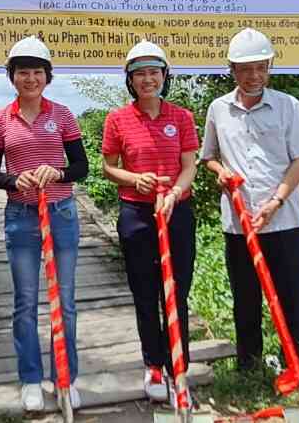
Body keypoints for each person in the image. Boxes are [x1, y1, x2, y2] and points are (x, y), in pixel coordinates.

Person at [200, 28, 299, 374]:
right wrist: (220, 172)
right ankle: (249, 368)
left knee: (292, 297)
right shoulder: (219, 109)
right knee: (246, 298)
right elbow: (209, 157)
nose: (253, 76)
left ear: (269, 67)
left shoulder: (288, 106)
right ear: (232, 70)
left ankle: (297, 365)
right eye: (245, 69)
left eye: (260, 68)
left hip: (284, 221)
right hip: (239, 225)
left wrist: (276, 202)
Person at [0, 36, 88, 413]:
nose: (30, 79)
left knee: (65, 301)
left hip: (61, 214)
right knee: (25, 301)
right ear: (12, 76)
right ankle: (30, 378)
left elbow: (81, 167)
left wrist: (57, 172)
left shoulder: (63, 115)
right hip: (21, 216)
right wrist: (15, 179)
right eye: (23, 72)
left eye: (37, 72)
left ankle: (65, 378)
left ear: (47, 76)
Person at [100, 40, 199, 406]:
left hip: (176, 212)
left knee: (176, 292)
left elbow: (189, 165)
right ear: (130, 80)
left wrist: (174, 193)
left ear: (164, 76)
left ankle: (178, 366)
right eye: (139, 74)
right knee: (144, 292)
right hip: (136, 215)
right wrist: (134, 179)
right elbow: (108, 166)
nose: (147, 80)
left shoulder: (181, 117)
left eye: (153, 73)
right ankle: (153, 365)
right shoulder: (117, 119)